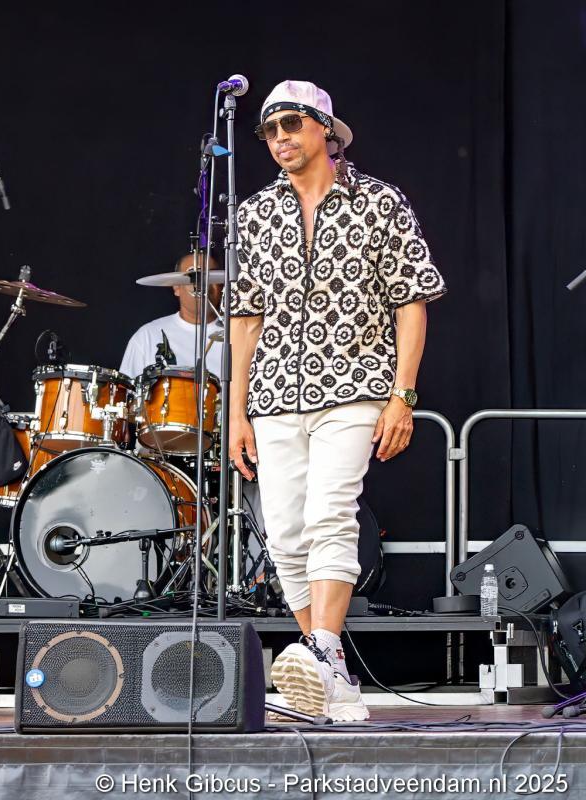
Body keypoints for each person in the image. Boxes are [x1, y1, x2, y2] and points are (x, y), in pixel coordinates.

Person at [227, 81, 446, 721]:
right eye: (269, 130)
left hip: (355, 387)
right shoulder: (253, 214)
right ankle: (333, 677)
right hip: (273, 393)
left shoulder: (379, 201)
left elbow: (412, 302)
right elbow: (245, 321)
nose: (279, 138)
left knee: (329, 514)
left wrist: (403, 394)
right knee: (284, 535)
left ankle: (320, 649)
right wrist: (235, 412)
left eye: (291, 124)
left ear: (326, 127)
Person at [120, 252, 225, 379]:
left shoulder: (237, 333)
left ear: (221, 287)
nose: (203, 285)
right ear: (176, 288)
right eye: (193, 277)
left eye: (212, 277)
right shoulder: (147, 336)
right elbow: (127, 389)